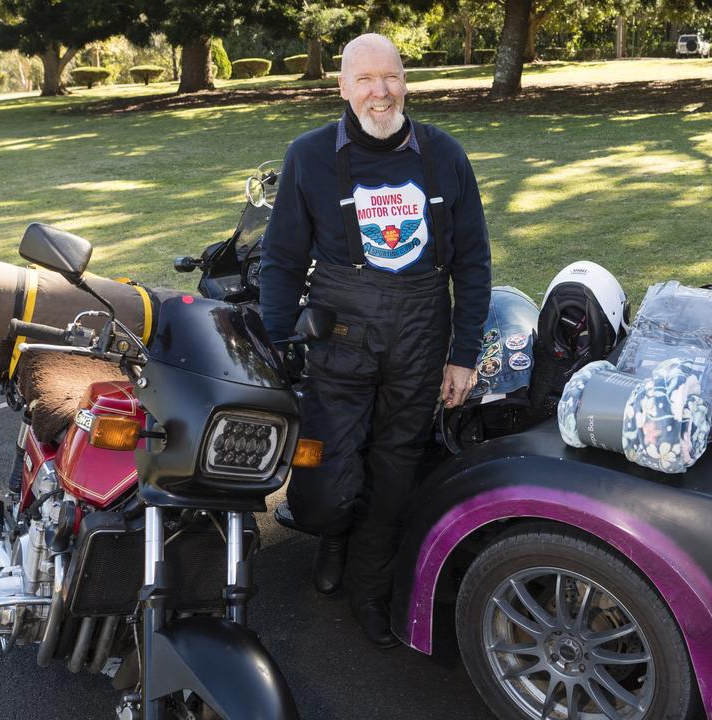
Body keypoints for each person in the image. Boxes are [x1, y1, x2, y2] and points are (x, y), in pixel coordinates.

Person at [258, 33, 491, 648]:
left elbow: (473, 262)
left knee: (395, 475)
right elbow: (281, 261)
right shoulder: (308, 156)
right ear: (343, 88)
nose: (379, 92)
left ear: (405, 82)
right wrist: (276, 344)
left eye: (389, 77)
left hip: (420, 337)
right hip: (338, 340)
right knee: (323, 482)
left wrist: (462, 355)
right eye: (364, 80)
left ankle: (370, 590)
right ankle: (329, 532)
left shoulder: (444, 155)